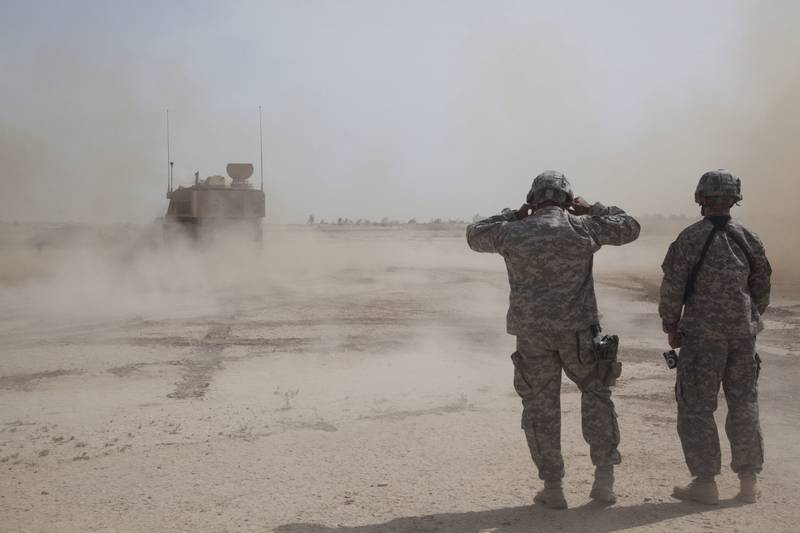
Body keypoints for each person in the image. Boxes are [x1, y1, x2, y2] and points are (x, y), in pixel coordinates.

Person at [466, 171, 640, 509]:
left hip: (533, 336)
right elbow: (630, 226)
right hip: (578, 333)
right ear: (567, 200)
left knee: (541, 408)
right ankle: (604, 481)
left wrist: (512, 215)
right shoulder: (584, 227)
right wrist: (593, 208)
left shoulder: (512, 232)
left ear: (533, 199)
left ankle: (554, 486)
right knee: (595, 396)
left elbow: (474, 235)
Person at [659, 170, 771, 505]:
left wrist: (671, 326)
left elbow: (673, 288)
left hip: (701, 338)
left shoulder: (689, 239)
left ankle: (705, 483)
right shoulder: (749, 238)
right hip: (742, 336)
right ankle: (748, 482)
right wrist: (748, 319)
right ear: (734, 199)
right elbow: (761, 289)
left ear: (701, 198)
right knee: (744, 404)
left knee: (695, 406)